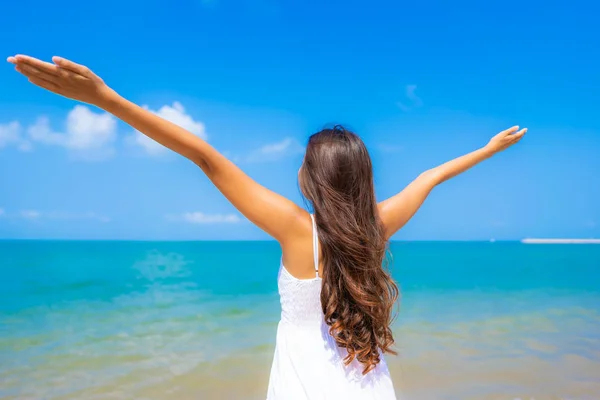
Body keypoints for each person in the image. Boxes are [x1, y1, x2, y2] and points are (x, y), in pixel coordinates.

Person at [7, 55, 527, 399]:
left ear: (311, 177)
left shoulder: (297, 230)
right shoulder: (377, 227)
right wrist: (488, 149)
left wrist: (107, 100)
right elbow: (429, 178)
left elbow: (205, 157)